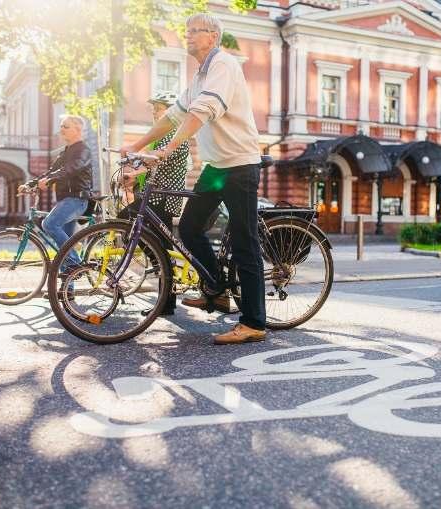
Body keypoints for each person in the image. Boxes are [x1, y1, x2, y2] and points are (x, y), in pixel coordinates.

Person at [121, 12, 265, 345]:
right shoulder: (200, 74)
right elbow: (174, 115)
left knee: (245, 241)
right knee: (188, 227)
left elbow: (202, 112)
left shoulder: (224, 66)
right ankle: (215, 290)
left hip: (240, 166)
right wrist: (137, 145)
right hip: (216, 168)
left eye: (194, 31)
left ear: (212, 36)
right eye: (186, 31)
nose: (187, 36)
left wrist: (166, 150)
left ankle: (254, 322)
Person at [118, 91, 190, 316]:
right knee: (155, 243)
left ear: (171, 111)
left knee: (159, 245)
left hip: (164, 195)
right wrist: (132, 167)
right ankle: (165, 290)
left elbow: (158, 157)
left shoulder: (177, 133)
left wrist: (136, 168)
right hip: (153, 194)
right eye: (153, 110)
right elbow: (149, 156)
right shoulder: (161, 135)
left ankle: (167, 300)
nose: (154, 113)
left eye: (158, 109)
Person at [21, 114, 93, 280]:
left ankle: (75, 265)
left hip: (76, 200)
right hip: (65, 201)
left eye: (65, 126)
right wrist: (31, 184)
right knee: (65, 246)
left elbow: (72, 169)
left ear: (78, 129)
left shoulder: (83, 150)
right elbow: (51, 172)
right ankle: (67, 292)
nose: (61, 130)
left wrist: (51, 180)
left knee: (49, 224)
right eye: (61, 126)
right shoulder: (65, 152)